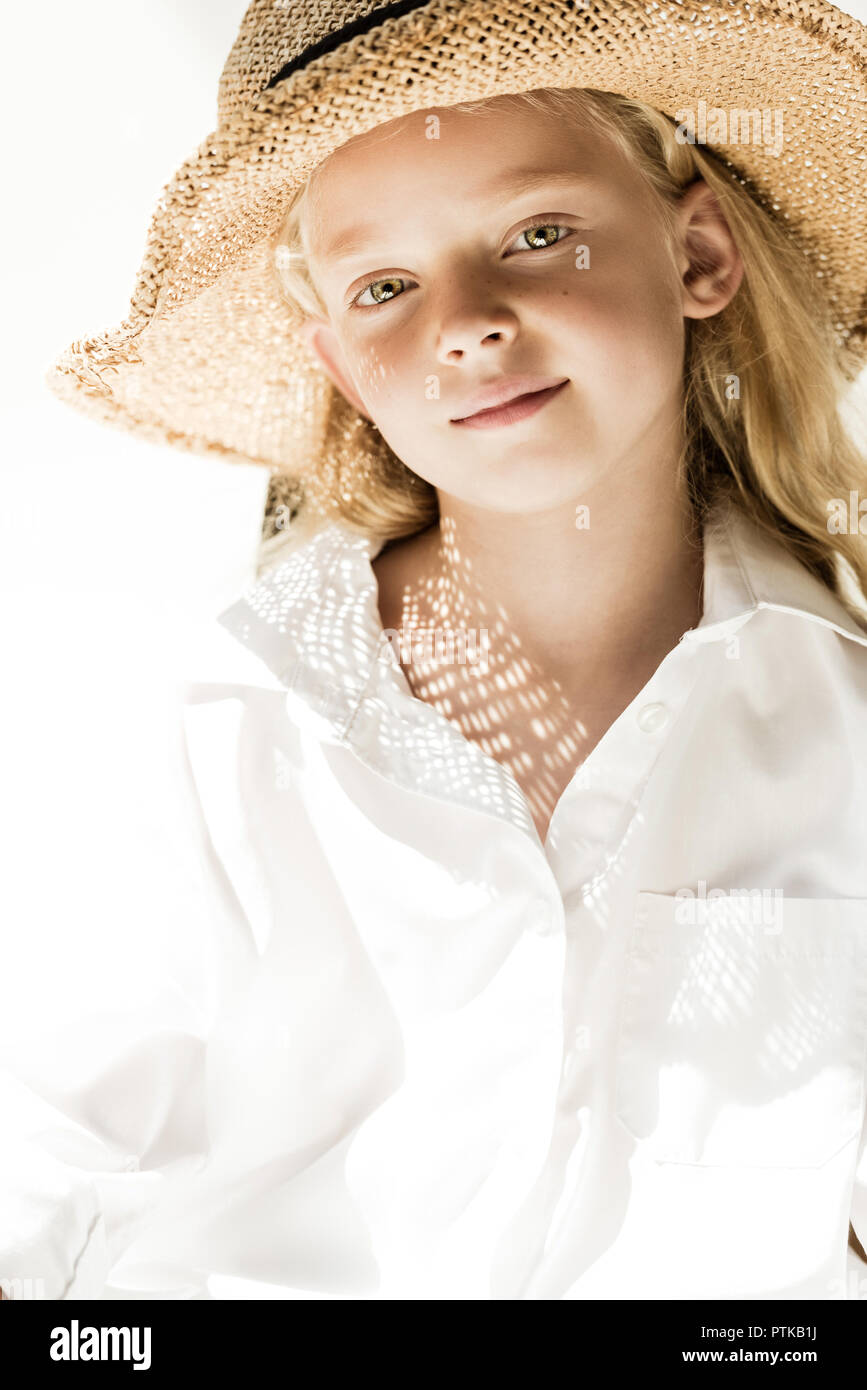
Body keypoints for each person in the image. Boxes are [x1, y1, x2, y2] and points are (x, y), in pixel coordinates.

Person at [4, 0, 867, 1300]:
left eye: (537, 233)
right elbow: (42, 1154)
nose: (468, 323)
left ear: (699, 248)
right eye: (387, 288)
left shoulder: (844, 728)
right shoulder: (219, 724)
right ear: (344, 366)